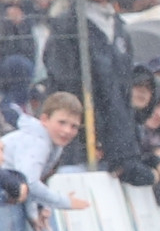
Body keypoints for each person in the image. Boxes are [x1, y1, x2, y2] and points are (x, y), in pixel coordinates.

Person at [43, 0, 160, 186]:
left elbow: (123, 83)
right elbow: (63, 79)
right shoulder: (67, 24)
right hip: (81, 126)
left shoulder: (119, 27)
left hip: (116, 121)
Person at [1, 91, 95, 223]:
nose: (67, 131)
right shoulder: (38, 143)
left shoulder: (53, 143)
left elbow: (28, 182)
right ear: (44, 120)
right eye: (61, 122)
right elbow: (30, 183)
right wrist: (65, 202)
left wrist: (39, 209)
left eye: (74, 126)